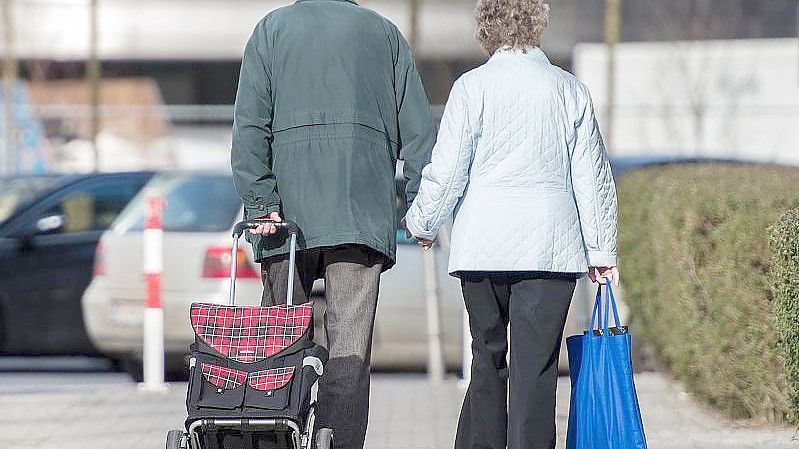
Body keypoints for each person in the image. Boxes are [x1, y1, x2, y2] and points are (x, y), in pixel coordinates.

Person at [404, 0, 619, 448]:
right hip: (550, 250)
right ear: (538, 24)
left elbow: (448, 169)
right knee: (536, 371)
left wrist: (423, 221)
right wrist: (601, 252)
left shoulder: (471, 88)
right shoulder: (568, 90)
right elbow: (593, 177)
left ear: (485, 28)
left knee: (486, 360)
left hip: (483, 248)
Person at [230, 1, 435, 448]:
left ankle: (276, 435)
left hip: (284, 221)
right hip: (359, 213)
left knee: (281, 343)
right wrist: (422, 208)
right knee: (350, 351)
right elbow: (420, 134)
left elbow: (249, 126)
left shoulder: (272, 30)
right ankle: (338, 441)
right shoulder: (385, 35)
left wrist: (261, 202)